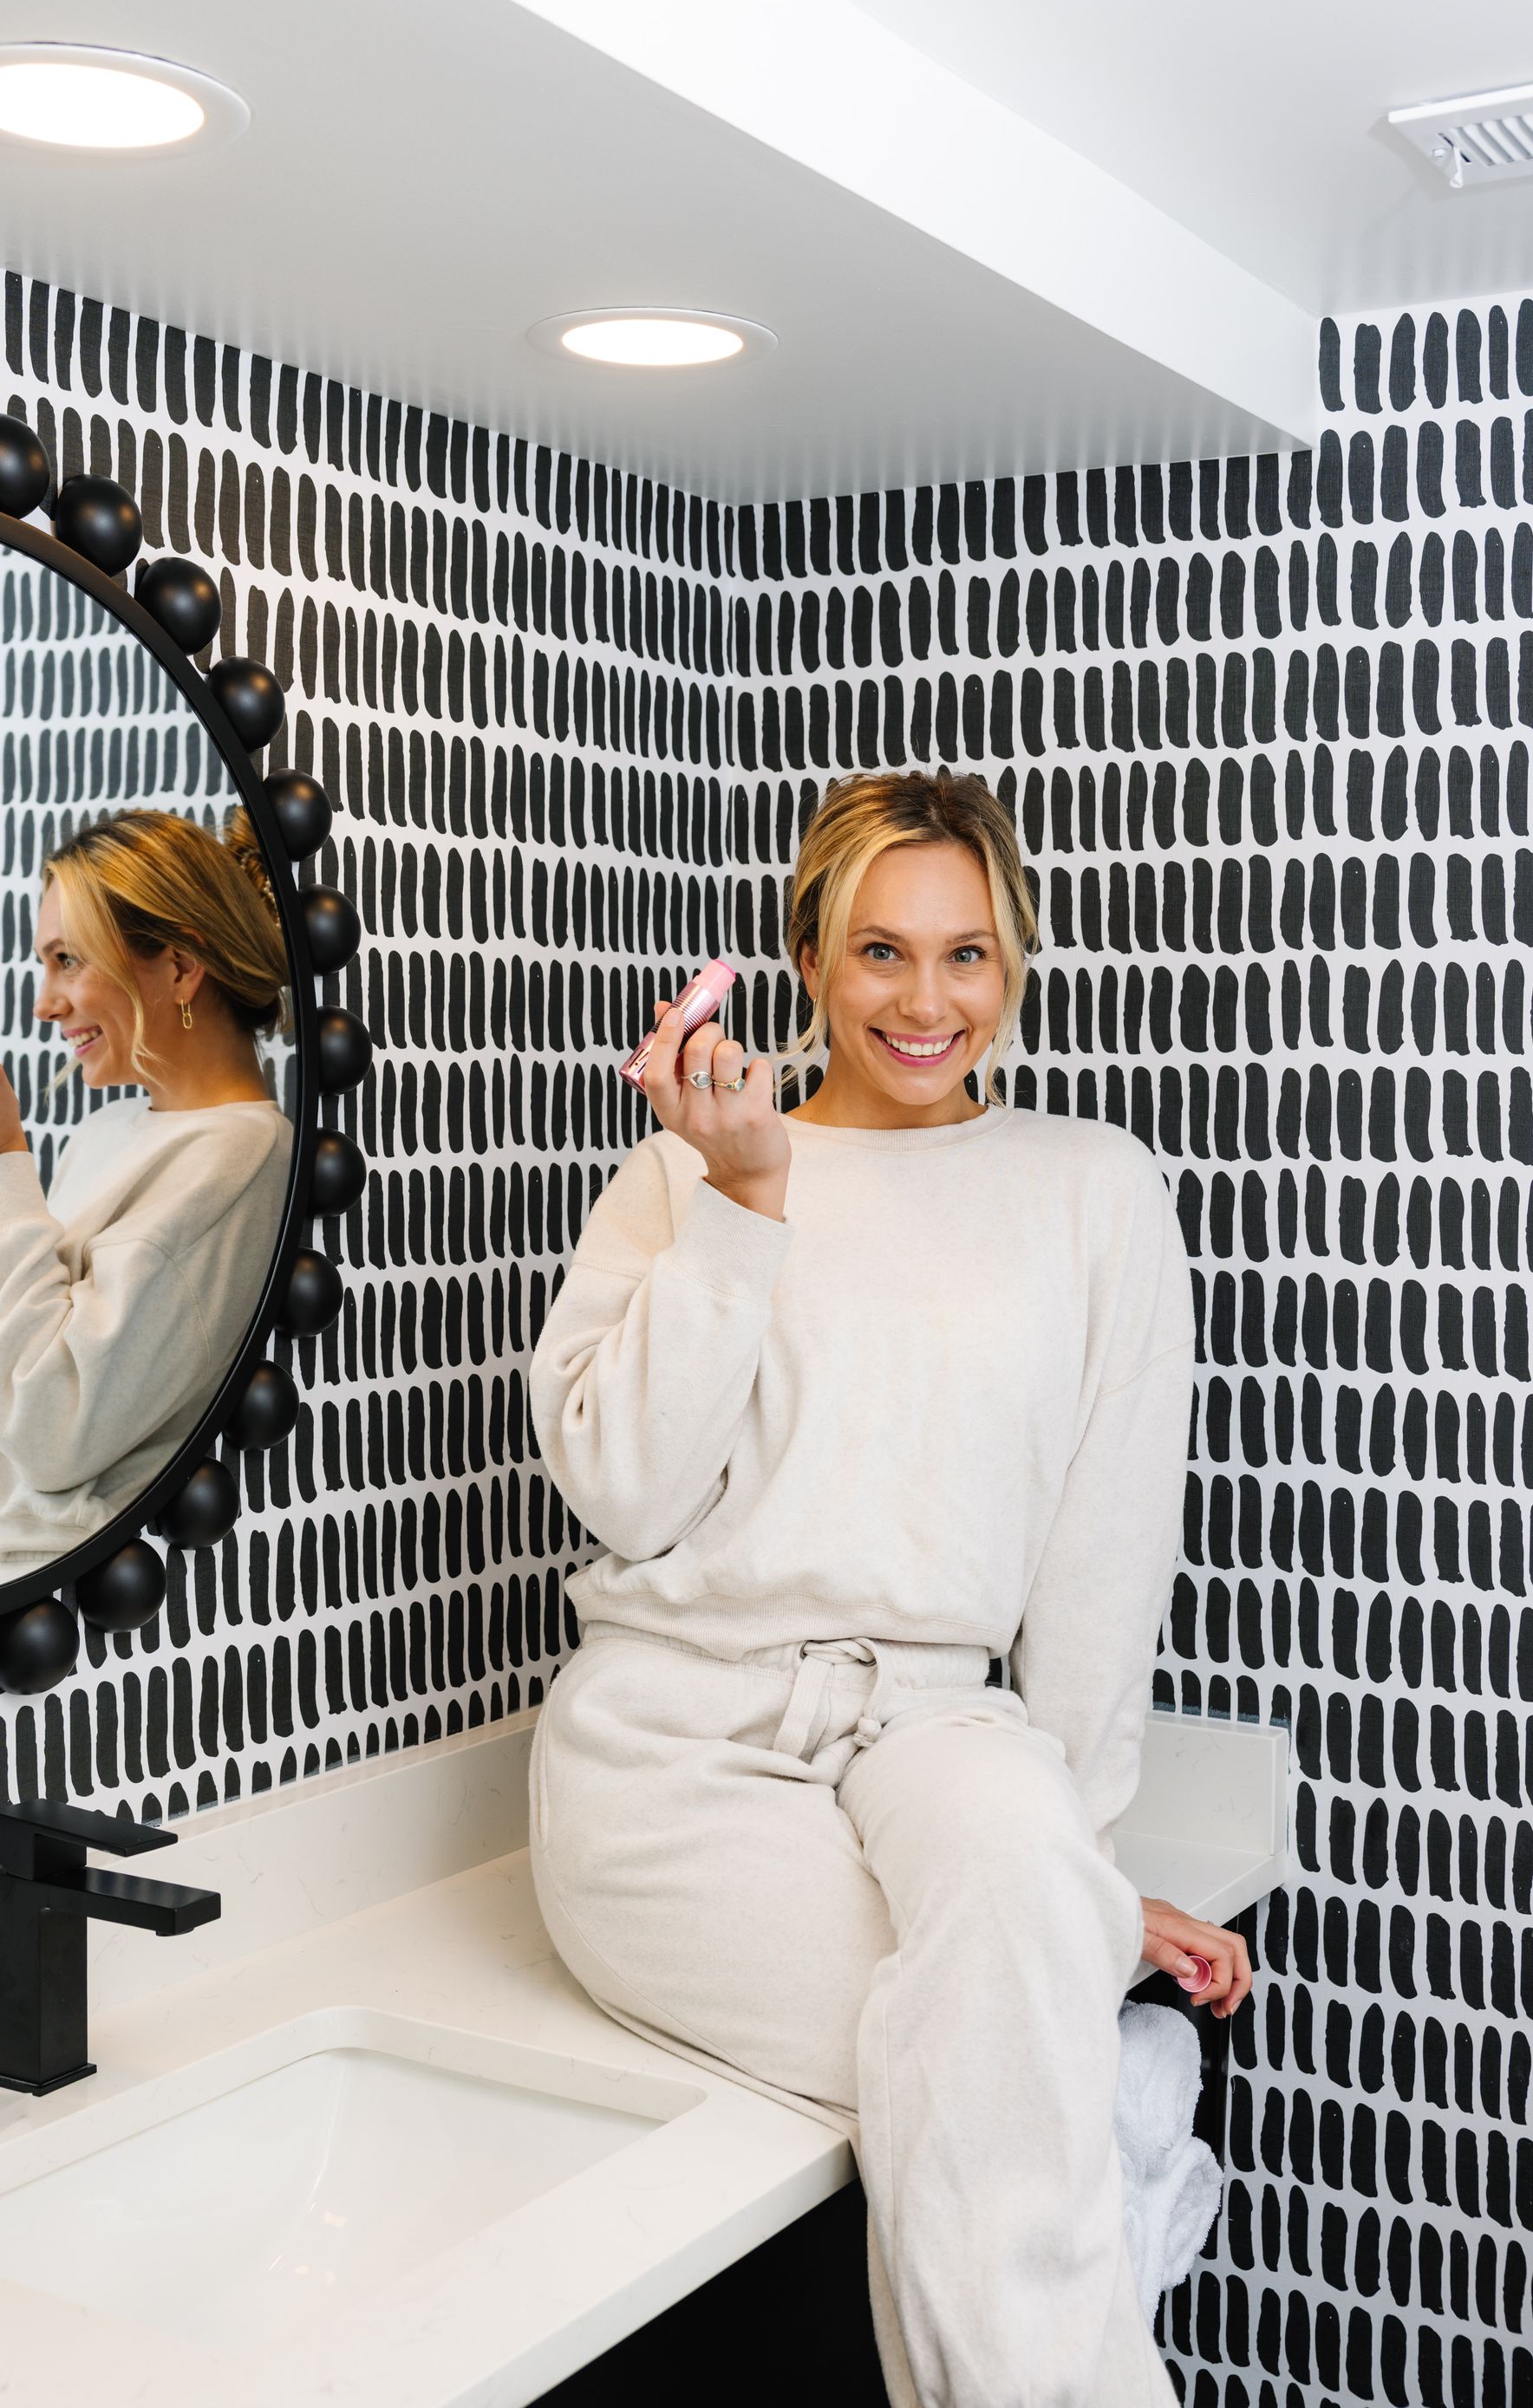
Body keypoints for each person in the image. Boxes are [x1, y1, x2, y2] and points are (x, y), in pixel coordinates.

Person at [525, 768, 1252, 2408]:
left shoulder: (1093, 1188)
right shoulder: (678, 1177)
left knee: (1004, 1999)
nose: (926, 1002)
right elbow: (624, 1489)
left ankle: (1096, 2076)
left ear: (1014, 963)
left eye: (968, 953)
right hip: (674, 1753)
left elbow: (1102, 1552)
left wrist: (1068, 1870)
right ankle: (1123, 2124)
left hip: (943, 1720)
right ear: (808, 956)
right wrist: (743, 1205)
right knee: (1009, 2055)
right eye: (879, 951)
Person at [0, 807, 294, 1601]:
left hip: (56, 1602)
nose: (45, 1004)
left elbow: (49, 1427)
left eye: (67, 960)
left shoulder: (235, 1157)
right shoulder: (110, 1131)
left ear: (178, 967)